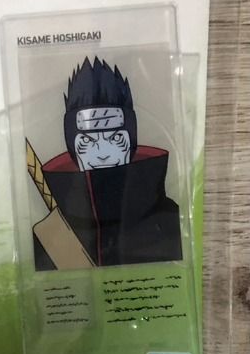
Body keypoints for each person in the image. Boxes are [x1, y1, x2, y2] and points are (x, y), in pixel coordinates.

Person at [31, 57, 182, 270]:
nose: (102, 153)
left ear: (131, 142)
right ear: (72, 148)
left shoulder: (168, 220)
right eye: (87, 141)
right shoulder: (50, 234)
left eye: (115, 138)